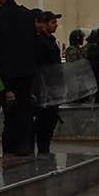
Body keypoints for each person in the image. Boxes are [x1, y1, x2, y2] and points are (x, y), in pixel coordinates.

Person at [0, 0, 39, 155]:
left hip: (5, 70)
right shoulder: (27, 14)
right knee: (24, 110)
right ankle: (24, 144)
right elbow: (32, 42)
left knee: (0, 108)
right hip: (25, 70)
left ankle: (1, 145)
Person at [34, 10, 63, 153]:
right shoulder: (40, 41)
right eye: (53, 22)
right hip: (45, 86)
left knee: (51, 120)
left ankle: (45, 147)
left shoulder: (51, 41)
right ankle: (42, 149)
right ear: (44, 24)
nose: (56, 25)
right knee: (44, 120)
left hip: (53, 85)